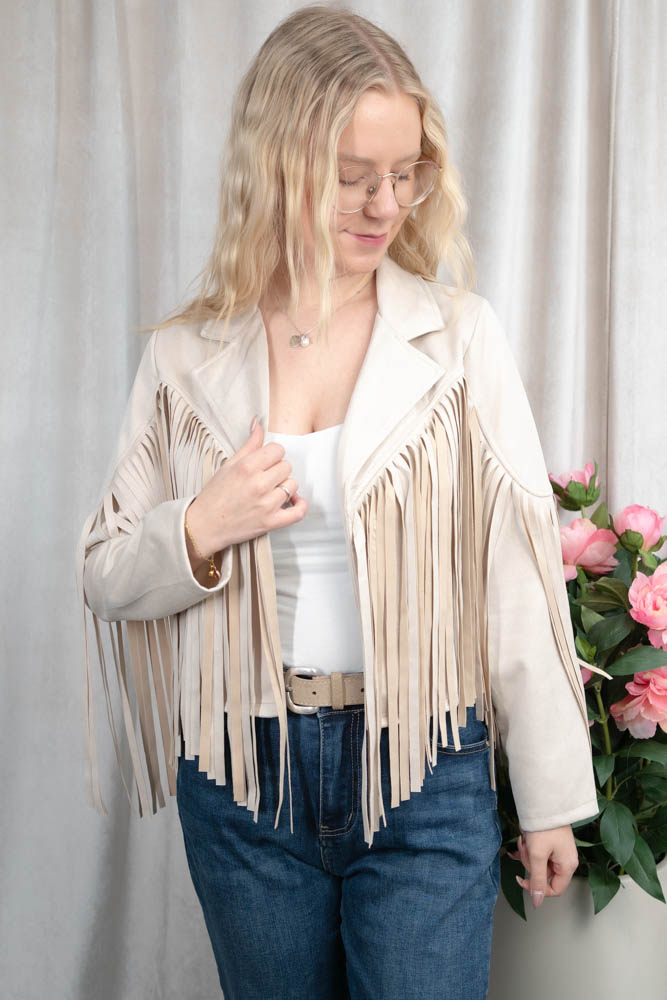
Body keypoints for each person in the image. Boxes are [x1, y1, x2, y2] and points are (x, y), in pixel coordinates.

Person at [75, 5, 599, 998]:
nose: (383, 203)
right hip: (245, 770)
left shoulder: (457, 339)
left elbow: (515, 576)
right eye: (352, 174)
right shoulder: (187, 354)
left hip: (425, 762)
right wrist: (201, 526)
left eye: (404, 173)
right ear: (277, 165)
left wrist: (548, 799)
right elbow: (105, 571)